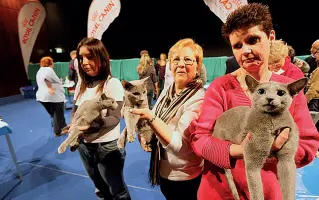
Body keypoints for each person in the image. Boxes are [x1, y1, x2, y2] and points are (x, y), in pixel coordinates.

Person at [188, 3, 319, 199]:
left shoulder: (288, 90)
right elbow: (199, 140)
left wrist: (276, 152)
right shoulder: (220, 88)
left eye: (253, 40)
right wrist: (244, 150)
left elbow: (308, 145)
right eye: (237, 45)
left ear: (271, 37)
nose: (245, 51)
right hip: (220, 192)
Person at [130, 38, 205, 200]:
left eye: (188, 60)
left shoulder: (198, 100)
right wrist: (144, 135)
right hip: (163, 170)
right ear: (170, 65)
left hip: (185, 177)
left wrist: (150, 117)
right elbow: (155, 122)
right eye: (176, 59)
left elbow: (179, 146)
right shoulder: (168, 91)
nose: (181, 64)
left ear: (197, 68)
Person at [72, 37, 131, 200]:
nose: (84, 62)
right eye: (81, 58)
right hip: (84, 146)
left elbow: (115, 117)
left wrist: (95, 125)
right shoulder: (81, 85)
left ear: (101, 58)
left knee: (117, 191)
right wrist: (73, 128)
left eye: (89, 56)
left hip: (107, 147)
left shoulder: (112, 84)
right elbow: (76, 112)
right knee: (99, 188)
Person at [36, 56, 67, 136]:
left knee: (54, 114)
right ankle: (58, 132)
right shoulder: (49, 70)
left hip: (42, 97)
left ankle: (63, 126)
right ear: (50, 63)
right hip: (53, 97)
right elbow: (48, 79)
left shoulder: (40, 70)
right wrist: (51, 87)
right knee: (57, 114)